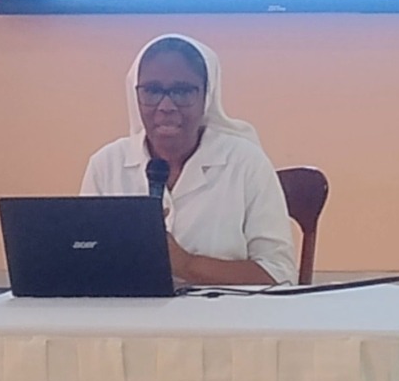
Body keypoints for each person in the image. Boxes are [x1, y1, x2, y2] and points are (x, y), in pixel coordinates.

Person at [82, 34, 295, 286]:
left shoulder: (246, 163)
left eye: (182, 91)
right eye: (152, 91)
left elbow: (279, 275)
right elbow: (85, 264)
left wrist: (185, 264)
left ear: (207, 96)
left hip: (224, 310)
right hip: (129, 310)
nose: (166, 106)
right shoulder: (106, 166)